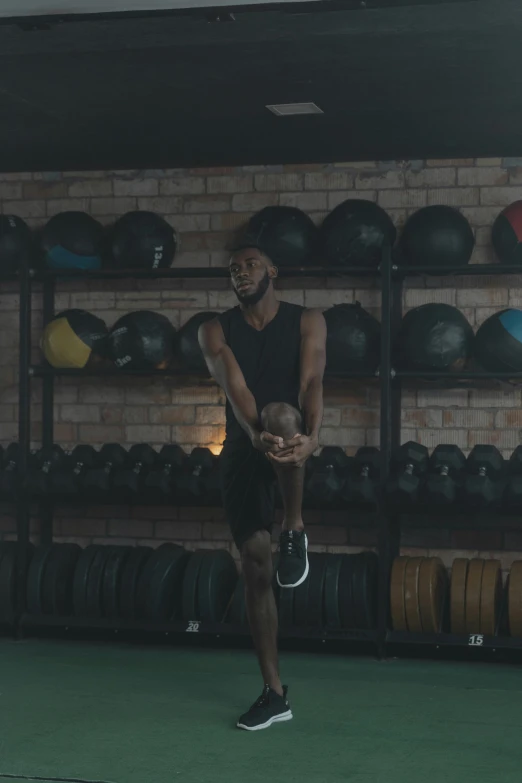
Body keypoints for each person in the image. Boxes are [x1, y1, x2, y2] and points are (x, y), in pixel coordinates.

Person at [199, 241, 326, 731]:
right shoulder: (214, 329)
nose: (241, 272)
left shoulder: (307, 320)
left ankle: (294, 526)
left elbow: (313, 379)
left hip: (291, 433)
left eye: (251, 264)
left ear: (273, 270)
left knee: (281, 411)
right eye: (234, 268)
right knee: (255, 566)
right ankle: (274, 693)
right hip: (243, 444)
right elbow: (237, 391)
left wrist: (312, 438)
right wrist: (255, 436)